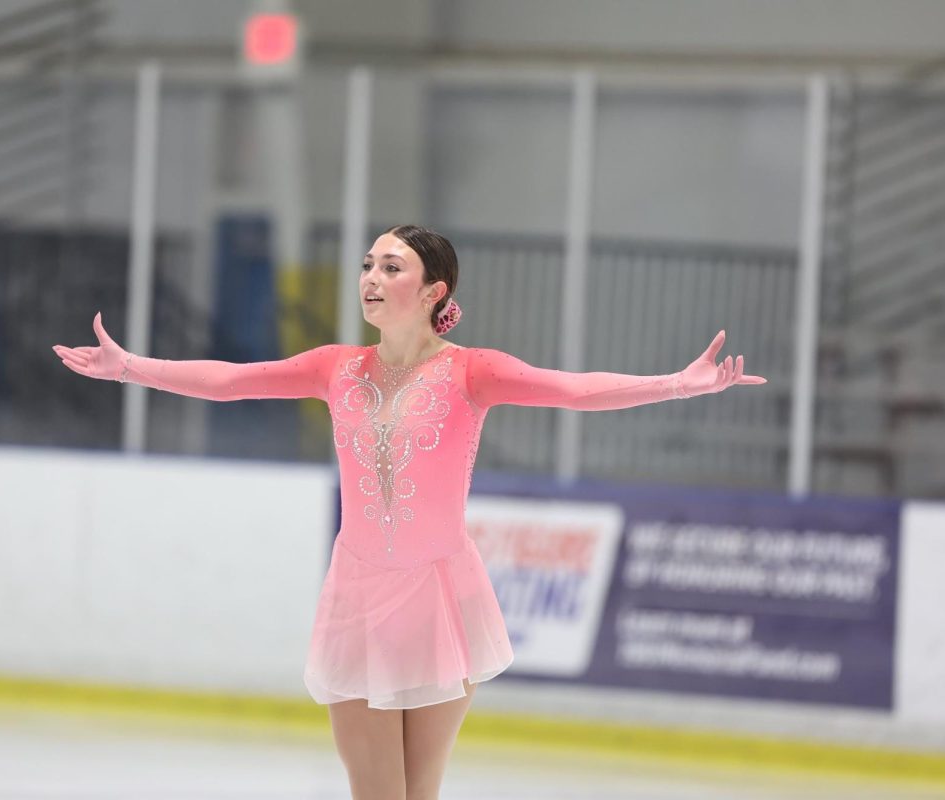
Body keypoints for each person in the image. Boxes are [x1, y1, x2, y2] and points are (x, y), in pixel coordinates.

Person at [52, 223, 766, 800]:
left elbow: (574, 390)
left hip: (438, 598)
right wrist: (133, 367)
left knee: (417, 795)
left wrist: (677, 384)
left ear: (433, 290)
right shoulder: (337, 366)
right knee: (375, 794)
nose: (371, 277)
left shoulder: (471, 371)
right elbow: (234, 381)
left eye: (391, 267)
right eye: (368, 265)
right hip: (359, 595)